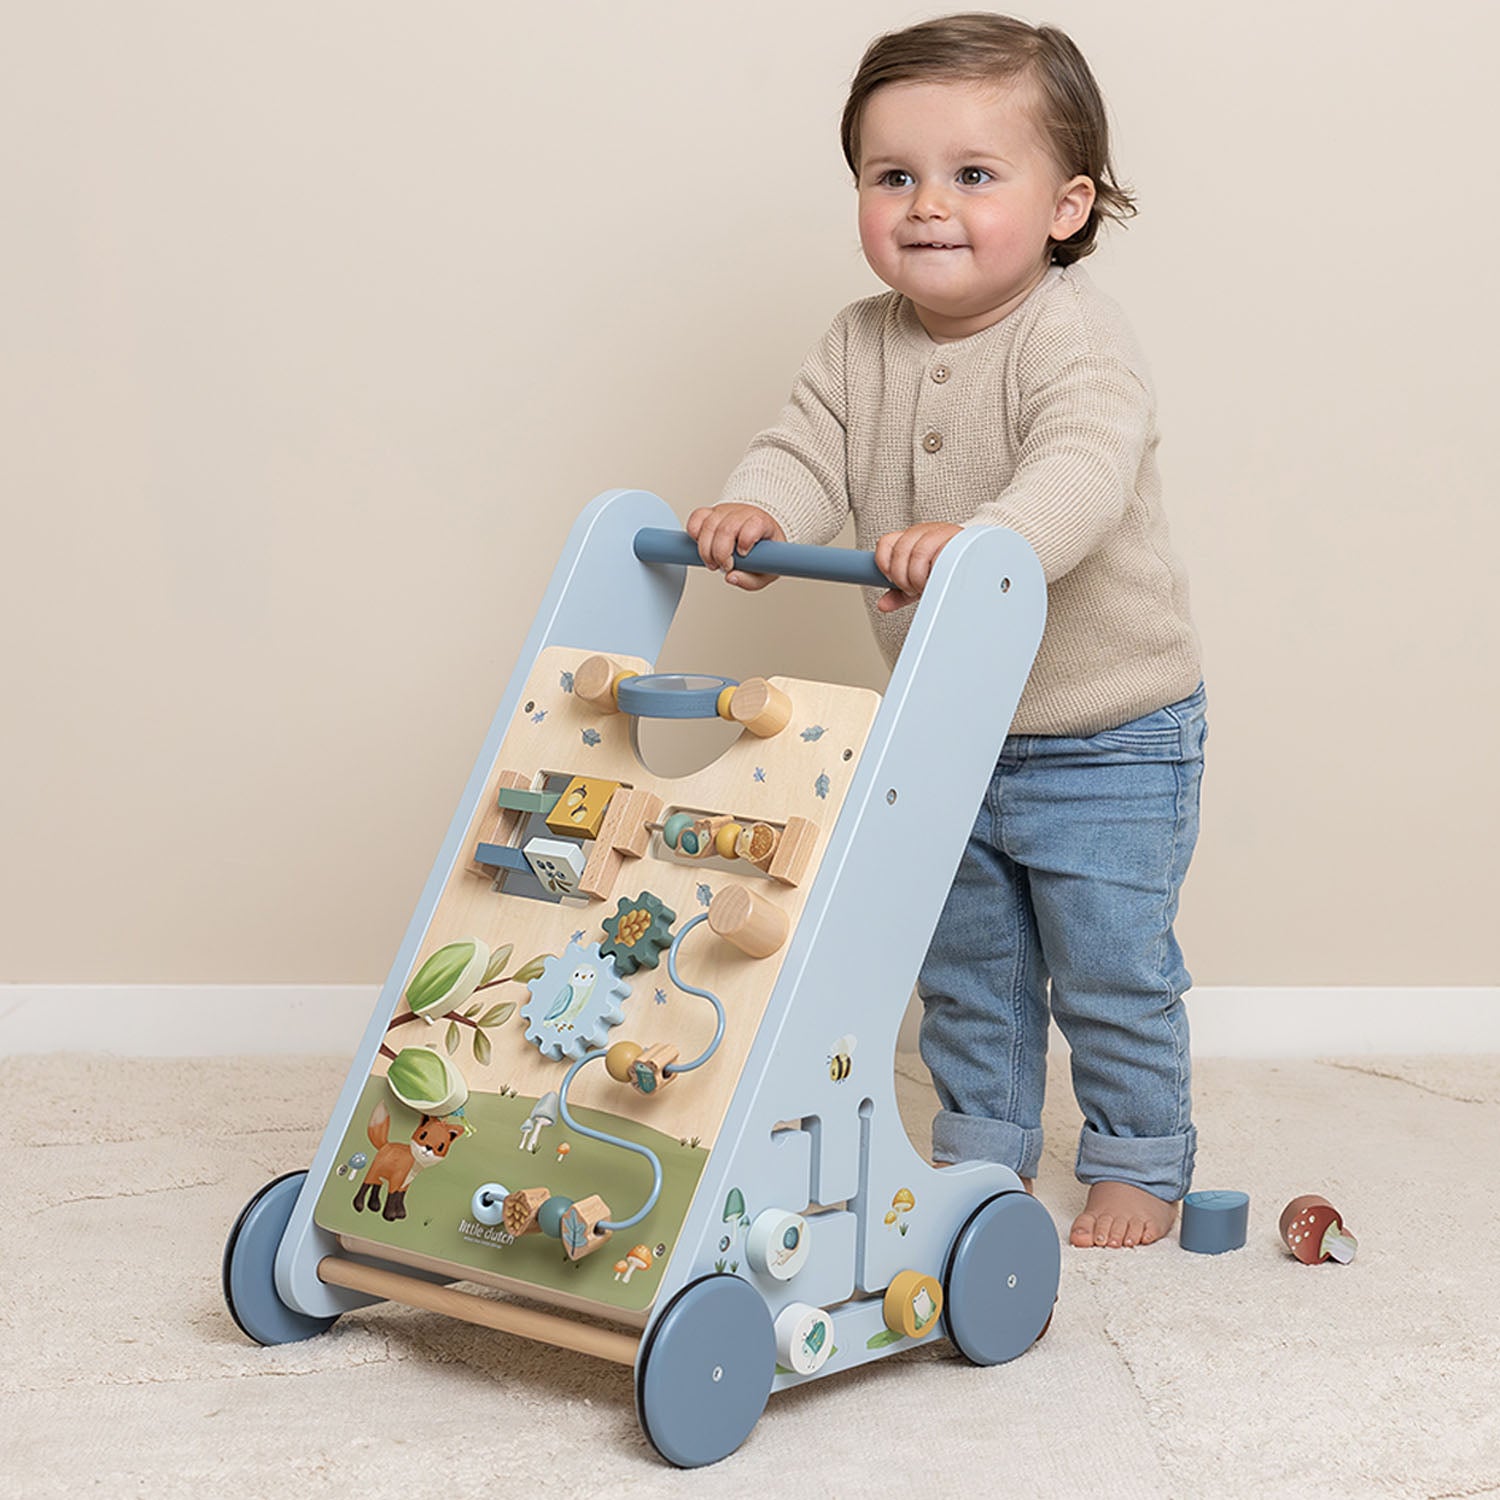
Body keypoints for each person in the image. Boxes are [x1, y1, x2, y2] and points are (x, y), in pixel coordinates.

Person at [688, 13, 1205, 1249]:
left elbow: (1082, 470)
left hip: (1108, 735)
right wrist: (766, 508)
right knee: (966, 965)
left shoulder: (1074, 339)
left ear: (1066, 207)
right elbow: (806, 445)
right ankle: (985, 1154)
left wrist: (982, 543)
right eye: (893, 176)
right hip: (947, 731)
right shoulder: (856, 341)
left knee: (1109, 967)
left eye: (974, 176)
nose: (928, 206)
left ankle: (1141, 1154)